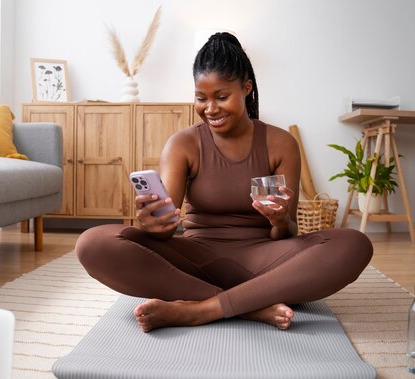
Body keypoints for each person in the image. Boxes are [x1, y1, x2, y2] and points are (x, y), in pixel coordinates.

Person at [76, 32, 373, 333]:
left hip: (266, 261)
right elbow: (163, 234)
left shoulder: (279, 143)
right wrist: (153, 225)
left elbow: (286, 234)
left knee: (353, 245)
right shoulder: (183, 144)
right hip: (195, 261)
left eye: (221, 96)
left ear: (246, 88)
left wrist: (280, 220)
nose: (210, 109)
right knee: (93, 244)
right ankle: (250, 307)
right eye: (201, 98)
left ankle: (202, 309)